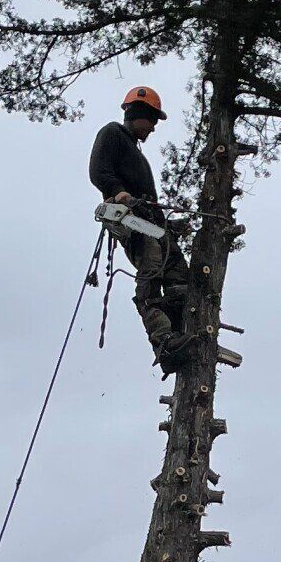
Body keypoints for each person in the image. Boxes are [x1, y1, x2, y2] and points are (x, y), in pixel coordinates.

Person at [89, 86, 191, 372]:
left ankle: (178, 328)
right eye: (152, 121)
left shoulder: (136, 154)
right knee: (152, 268)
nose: (153, 129)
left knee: (179, 276)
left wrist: (171, 225)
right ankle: (162, 340)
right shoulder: (112, 134)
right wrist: (117, 191)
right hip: (132, 219)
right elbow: (99, 170)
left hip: (151, 220)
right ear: (138, 114)